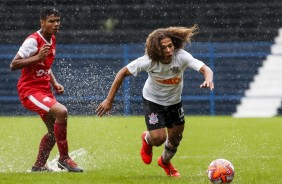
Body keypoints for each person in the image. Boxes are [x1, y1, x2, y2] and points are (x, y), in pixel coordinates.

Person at [95, 25, 214, 177]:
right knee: (158, 139)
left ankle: (165, 162)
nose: (169, 50)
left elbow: (205, 69)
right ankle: (146, 138)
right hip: (153, 101)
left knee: (175, 139)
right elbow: (122, 73)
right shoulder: (148, 61)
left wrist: (208, 79)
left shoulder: (182, 56)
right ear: (156, 50)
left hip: (174, 102)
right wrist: (108, 100)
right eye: (164, 48)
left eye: (170, 46)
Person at [10, 7, 83, 172]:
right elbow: (13, 64)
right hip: (30, 91)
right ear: (42, 22)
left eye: (57, 21)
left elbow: (46, 65)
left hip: (44, 90)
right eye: (51, 21)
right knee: (62, 112)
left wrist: (55, 83)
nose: (56, 24)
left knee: (53, 133)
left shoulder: (52, 39)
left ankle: (39, 166)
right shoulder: (33, 41)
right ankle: (64, 159)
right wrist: (37, 57)